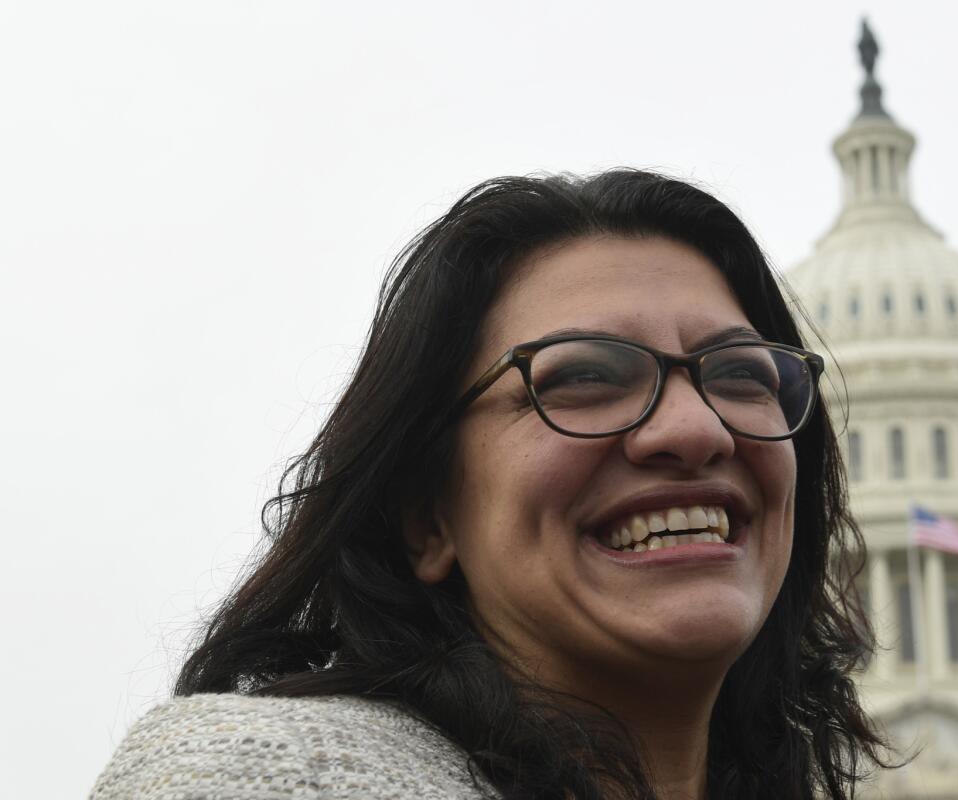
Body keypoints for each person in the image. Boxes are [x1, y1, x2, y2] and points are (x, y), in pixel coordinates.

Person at [91, 169, 888, 799]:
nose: (695, 429)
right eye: (582, 377)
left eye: (741, 374)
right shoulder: (264, 778)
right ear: (426, 518)